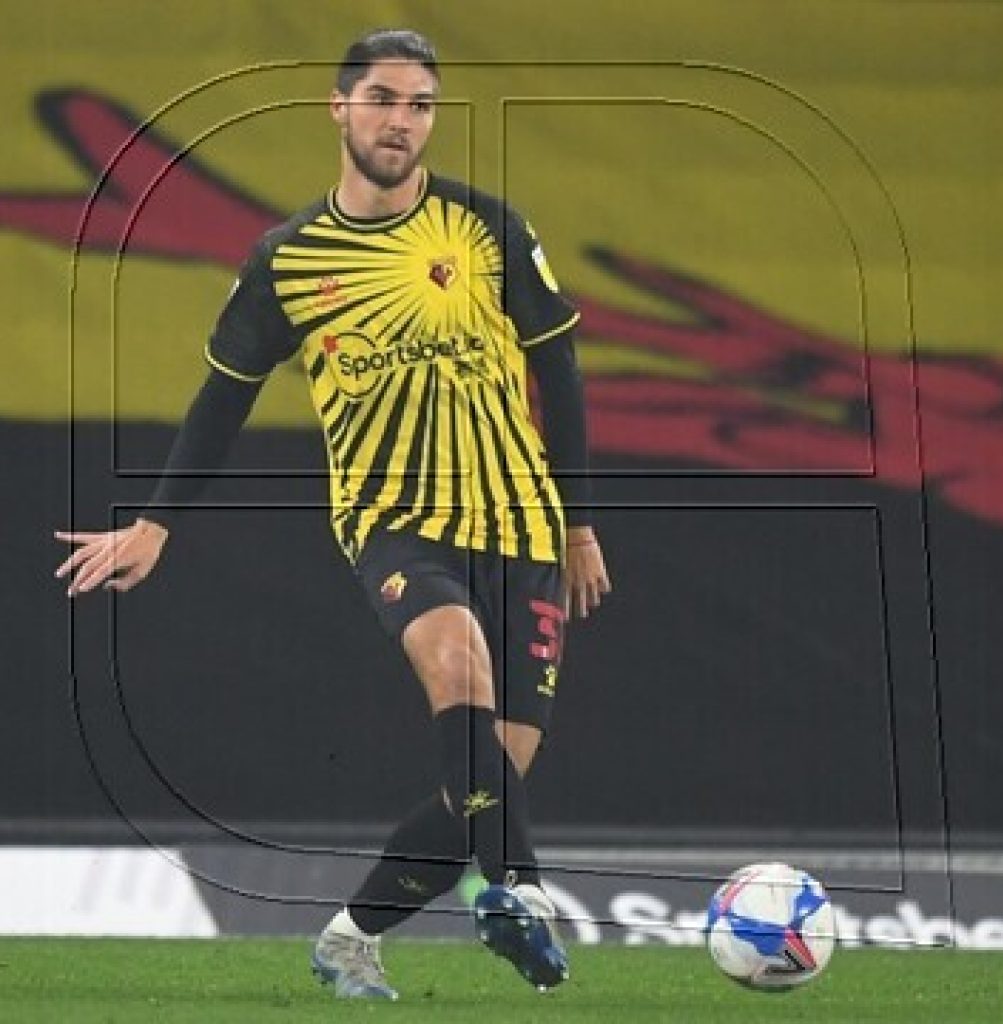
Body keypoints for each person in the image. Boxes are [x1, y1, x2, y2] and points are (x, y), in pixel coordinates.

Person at [55, 28, 610, 1000]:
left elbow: (557, 366)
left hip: (520, 522)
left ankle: (350, 939)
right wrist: (157, 519)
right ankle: (515, 887)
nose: (402, 122)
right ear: (339, 107)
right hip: (395, 522)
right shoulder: (287, 260)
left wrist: (578, 522)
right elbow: (222, 397)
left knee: (486, 784)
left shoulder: (488, 228)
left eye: (420, 106)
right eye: (383, 100)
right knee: (459, 668)